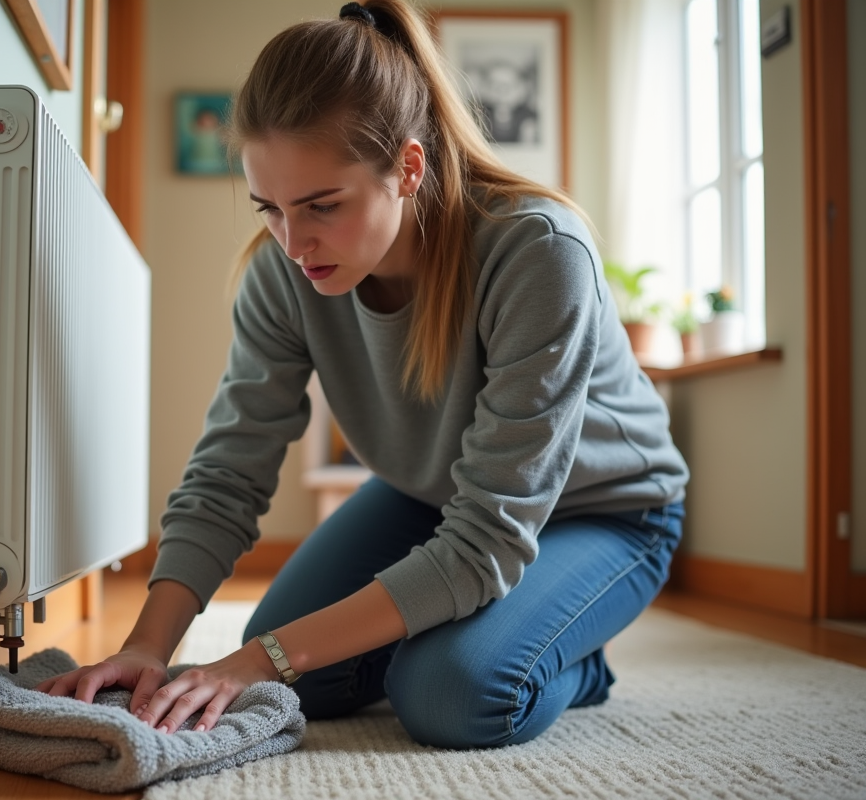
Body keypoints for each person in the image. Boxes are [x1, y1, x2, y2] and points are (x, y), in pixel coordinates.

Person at [36, 0, 688, 749]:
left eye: (321, 205)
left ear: (408, 167)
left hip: (604, 511)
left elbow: (488, 538)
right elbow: (229, 472)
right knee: (297, 674)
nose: (292, 241)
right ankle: (478, 625)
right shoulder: (280, 277)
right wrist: (147, 649)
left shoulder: (538, 252)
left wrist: (257, 658)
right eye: (270, 209)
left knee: (449, 691)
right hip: (432, 498)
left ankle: (572, 660)